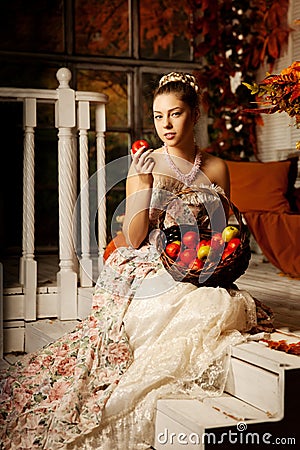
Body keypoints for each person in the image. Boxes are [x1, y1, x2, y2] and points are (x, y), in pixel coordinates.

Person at [0, 72, 262, 450]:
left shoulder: (218, 168)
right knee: (180, 300)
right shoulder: (148, 162)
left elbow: (223, 228)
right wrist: (139, 184)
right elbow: (136, 236)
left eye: (175, 114)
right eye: (158, 116)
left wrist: (216, 254)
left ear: (195, 114)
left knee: (216, 299)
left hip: (199, 261)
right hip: (153, 256)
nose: (166, 125)